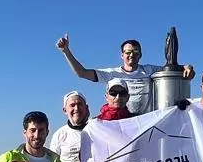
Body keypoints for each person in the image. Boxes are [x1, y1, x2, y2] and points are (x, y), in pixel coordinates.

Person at [57, 34, 194, 116]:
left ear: (140, 55)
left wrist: (187, 67)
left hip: (146, 123)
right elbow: (82, 73)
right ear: (121, 55)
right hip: (121, 123)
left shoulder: (150, 70)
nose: (131, 55)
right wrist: (66, 52)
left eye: (135, 52)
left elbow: (172, 68)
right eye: (127, 52)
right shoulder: (112, 74)